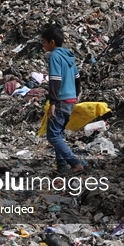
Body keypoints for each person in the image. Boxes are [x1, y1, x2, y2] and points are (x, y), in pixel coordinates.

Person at [41, 25, 85, 173]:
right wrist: (75, 95)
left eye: (44, 41)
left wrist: (52, 102)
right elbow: (77, 79)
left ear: (52, 42)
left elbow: (55, 81)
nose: (43, 44)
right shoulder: (69, 57)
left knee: (53, 136)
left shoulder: (55, 56)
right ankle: (62, 167)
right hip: (71, 100)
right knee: (58, 134)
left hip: (60, 100)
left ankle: (74, 163)